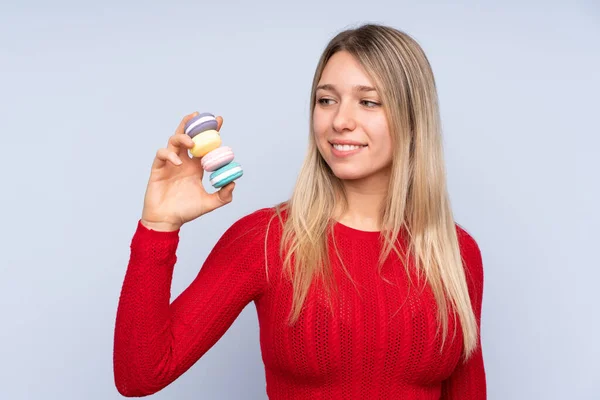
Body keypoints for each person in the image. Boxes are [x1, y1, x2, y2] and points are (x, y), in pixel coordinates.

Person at [113, 23, 486, 399]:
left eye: (368, 101)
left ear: (412, 117)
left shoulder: (454, 252)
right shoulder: (265, 240)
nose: (340, 120)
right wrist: (158, 227)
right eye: (326, 100)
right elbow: (140, 374)